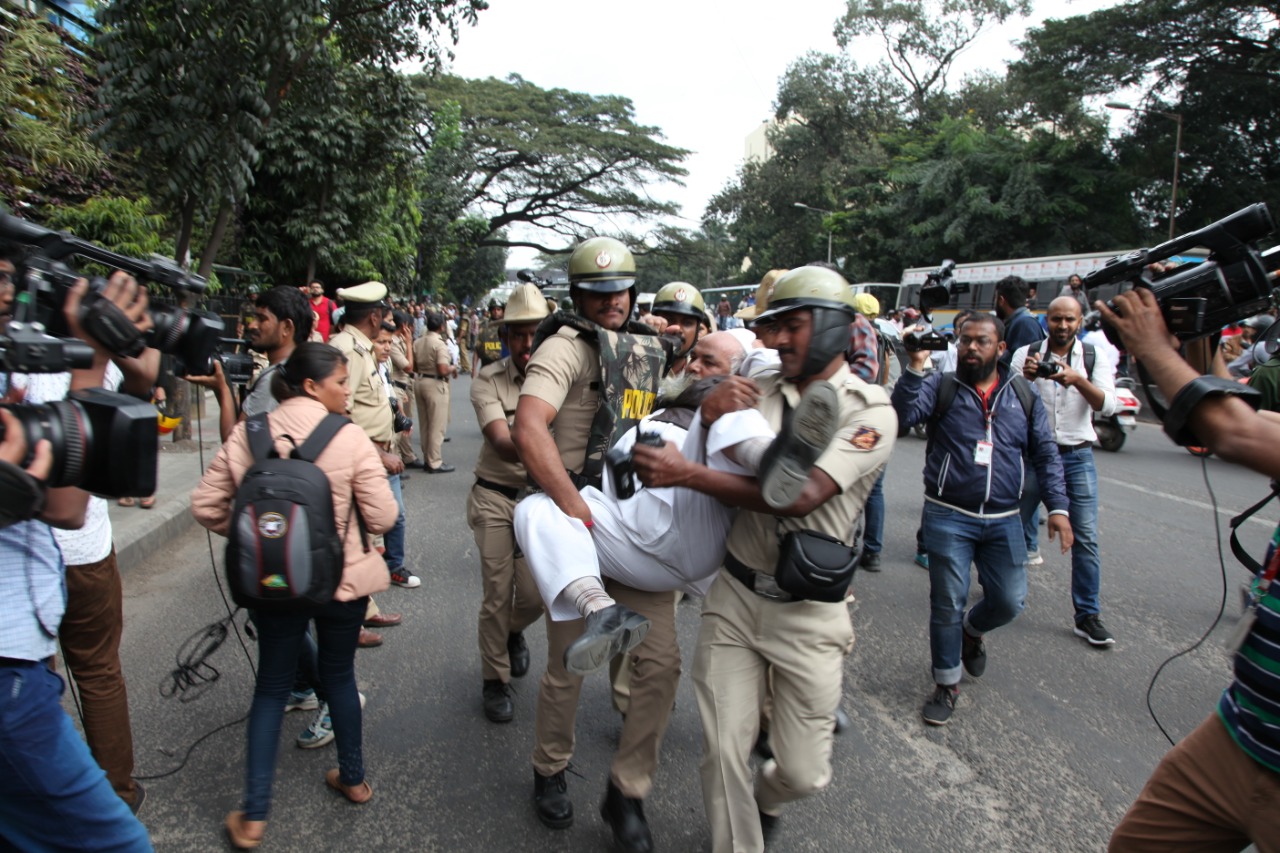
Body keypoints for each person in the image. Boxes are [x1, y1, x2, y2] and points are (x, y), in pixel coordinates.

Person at [628, 266, 895, 853]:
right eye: (771, 329)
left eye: (792, 327)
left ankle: (769, 801)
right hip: (735, 599)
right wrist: (707, 405)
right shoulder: (758, 384)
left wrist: (687, 475)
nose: (775, 340)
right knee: (724, 753)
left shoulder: (869, 410)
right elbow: (681, 391)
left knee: (802, 773)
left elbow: (801, 497)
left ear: (835, 327)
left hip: (810, 612)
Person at [191, 343, 399, 850]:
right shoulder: (349, 437)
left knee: (270, 687)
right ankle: (352, 778)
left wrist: (258, 543)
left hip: (272, 586)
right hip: (341, 582)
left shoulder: (250, 432)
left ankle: (255, 816)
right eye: (341, 382)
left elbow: (205, 505)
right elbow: (383, 518)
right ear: (312, 386)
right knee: (340, 676)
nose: (347, 390)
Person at [1098, 288, 1280, 853]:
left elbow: (1236, 432)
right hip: (1243, 731)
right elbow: (1238, 408)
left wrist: (1151, 345)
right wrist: (1198, 330)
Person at [512, 236, 675, 852]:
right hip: (574, 514)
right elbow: (530, 427)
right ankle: (550, 767)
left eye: (621, 291)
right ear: (578, 296)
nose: (612, 302)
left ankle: (627, 792)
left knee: (661, 666)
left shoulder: (646, 346)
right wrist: (571, 502)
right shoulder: (564, 346)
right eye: (598, 293)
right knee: (568, 662)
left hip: (633, 518)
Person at [0, 270, 153, 851]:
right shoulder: (62, 353)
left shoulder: (38, 352)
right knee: (95, 672)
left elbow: (144, 373)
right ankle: (110, 792)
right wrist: (89, 358)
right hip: (69, 561)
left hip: (49, 579)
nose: (10, 290)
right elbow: (66, 504)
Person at [892, 312, 1073, 726]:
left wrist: (1059, 509)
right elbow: (901, 419)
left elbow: (1045, 453)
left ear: (1001, 348)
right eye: (965, 340)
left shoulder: (1023, 394)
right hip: (948, 516)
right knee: (946, 603)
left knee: (1009, 601)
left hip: (1006, 517)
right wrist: (915, 367)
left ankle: (973, 631)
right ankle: (946, 683)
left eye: (982, 341)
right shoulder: (943, 386)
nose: (971, 348)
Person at [1012, 296, 1118, 646]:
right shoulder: (1025, 353)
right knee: (1008, 529)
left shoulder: (1093, 356)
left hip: (1077, 455)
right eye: (1056, 319)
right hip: (1032, 456)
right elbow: (1007, 405)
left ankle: (1088, 615)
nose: (1062, 325)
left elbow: (1107, 404)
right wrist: (1025, 379)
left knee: (1085, 537)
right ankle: (1001, 594)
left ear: (1079, 322)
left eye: (1069, 319)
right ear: (1046, 320)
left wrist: (1077, 380)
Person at [468, 284, 548, 723]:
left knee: (536, 596)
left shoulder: (564, 383)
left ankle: (513, 633)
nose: (527, 344)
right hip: (496, 498)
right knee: (497, 593)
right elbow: (502, 441)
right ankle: (493, 679)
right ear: (507, 337)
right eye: (518, 335)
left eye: (536, 334)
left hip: (541, 502)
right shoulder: (488, 379)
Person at [329, 283, 414, 593]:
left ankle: (374, 589)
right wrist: (378, 455)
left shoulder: (361, 347)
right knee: (355, 532)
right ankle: (356, 605)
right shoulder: (348, 350)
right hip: (363, 455)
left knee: (388, 518)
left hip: (377, 450)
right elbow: (338, 413)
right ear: (376, 317)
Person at [413, 312, 457, 474]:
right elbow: (443, 369)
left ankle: (427, 458)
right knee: (437, 426)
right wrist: (453, 368)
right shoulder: (439, 344)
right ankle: (434, 461)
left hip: (421, 381)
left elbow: (414, 366)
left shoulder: (417, 342)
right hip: (436, 384)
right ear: (442, 327)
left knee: (425, 424)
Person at [650, 281, 711, 375]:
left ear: (697, 330)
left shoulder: (701, 376)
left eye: (687, 323)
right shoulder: (632, 363)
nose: (677, 328)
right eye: (669, 320)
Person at [994, 275, 1046, 367]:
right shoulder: (1019, 322)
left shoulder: (1025, 324)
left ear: (1001, 300)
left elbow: (1021, 368)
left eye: (995, 298)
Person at [472, 299, 506, 375]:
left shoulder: (508, 326)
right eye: (494, 309)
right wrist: (474, 369)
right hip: (486, 367)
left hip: (504, 367)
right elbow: (477, 349)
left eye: (498, 309)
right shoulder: (484, 326)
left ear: (503, 311)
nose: (496, 312)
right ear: (490, 311)